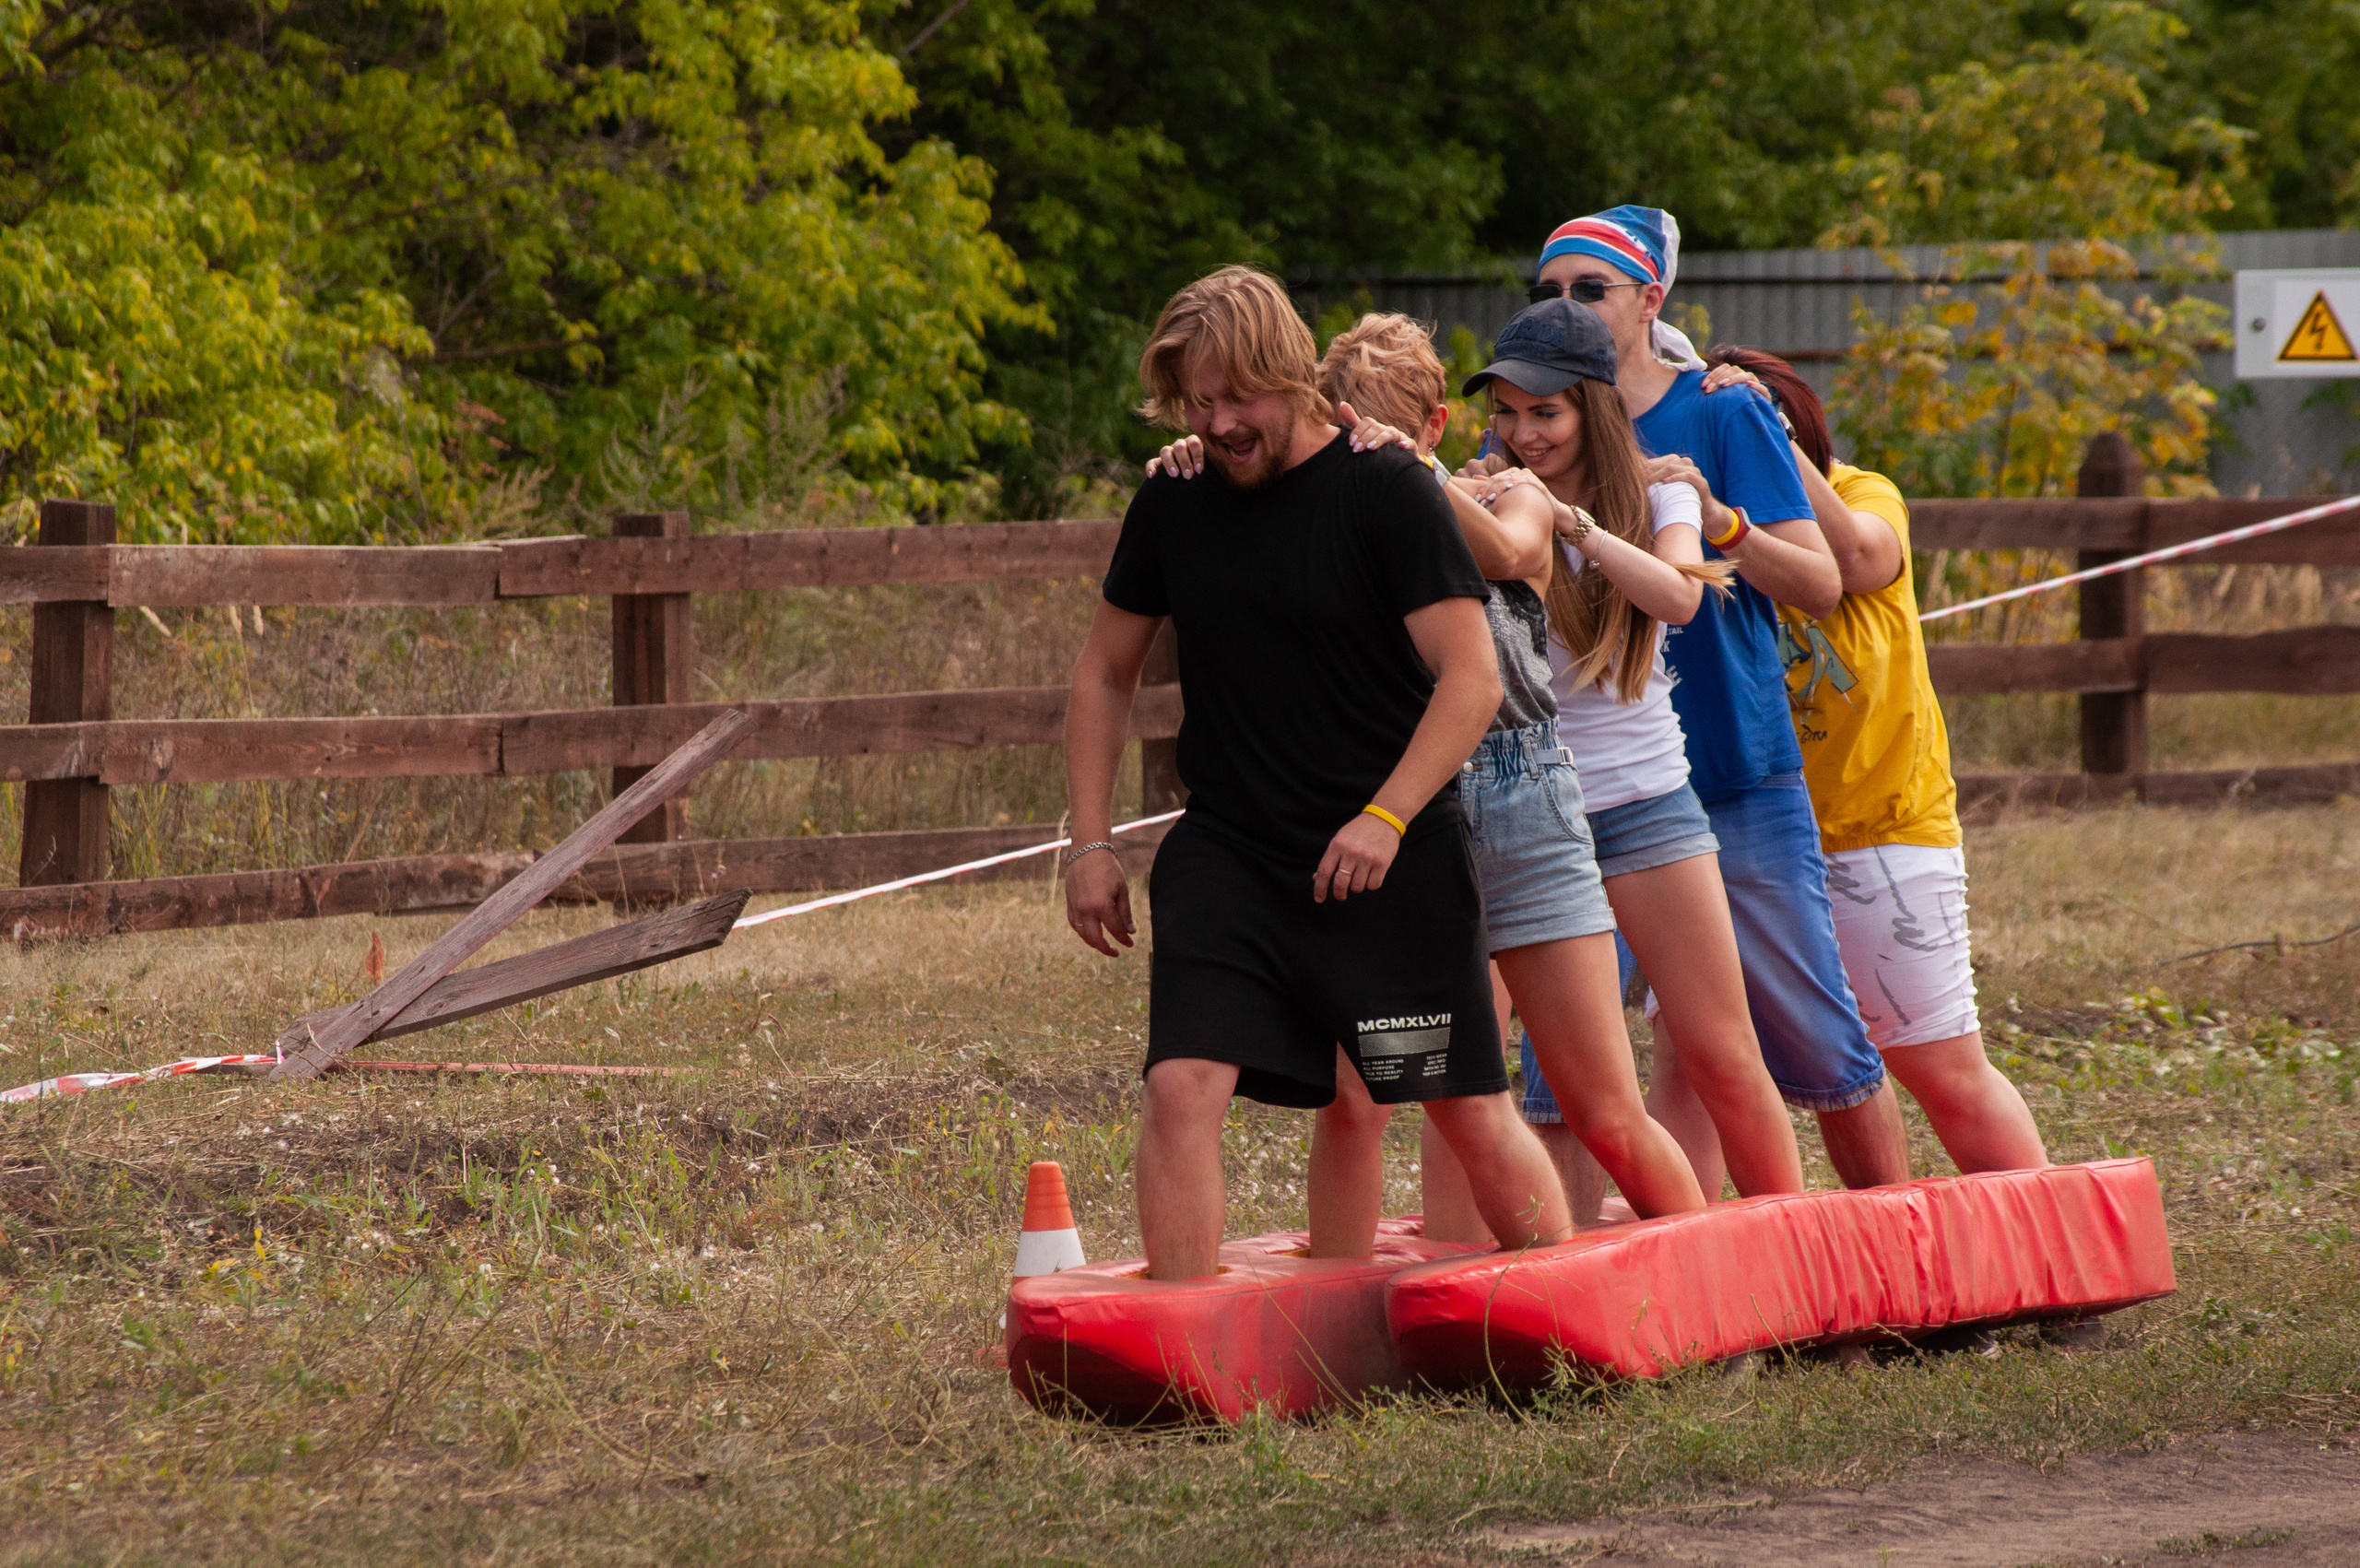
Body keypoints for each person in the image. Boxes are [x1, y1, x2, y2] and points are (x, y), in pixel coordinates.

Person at [1140, 308, 1706, 1253]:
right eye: (1344, 420)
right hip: (1403, 815)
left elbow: (1513, 556)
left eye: (1385, 426)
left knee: (1601, 1105)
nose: (1356, 442)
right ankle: (1379, 1290)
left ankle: (1703, 1284)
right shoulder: (1327, 492)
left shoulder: (1506, 491)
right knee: (1387, 1094)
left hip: (1519, 805)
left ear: (1438, 424)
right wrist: (1193, 459)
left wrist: (1404, 472)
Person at [1062, 266, 1573, 1279]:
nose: (1218, 423)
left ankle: (1569, 1305)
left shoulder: (1384, 488)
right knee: (1182, 1085)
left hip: (1387, 861)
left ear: (1290, 375)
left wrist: (1384, 816)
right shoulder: (1171, 500)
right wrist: (1088, 843)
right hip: (1232, 853)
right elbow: (1103, 672)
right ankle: (1182, 1347)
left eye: (1236, 397)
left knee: (1458, 1109)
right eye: (1196, 403)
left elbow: (1470, 682)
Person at [1525, 204, 1914, 1194]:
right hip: (1589, 789)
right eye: (1546, 292)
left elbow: (1821, 583)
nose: (1564, 306)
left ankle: (1883, 1288)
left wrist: (1722, 520)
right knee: (1555, 1066)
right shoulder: (1543, 420)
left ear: (1649, 299)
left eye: (1588, 289)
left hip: (1733, 767)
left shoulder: (1718, 407)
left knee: (1814, 1038)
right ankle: (1586, 1309)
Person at [1696, 347, 2048, 1175]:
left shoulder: (1862, 492)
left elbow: (1853, 560)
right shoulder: (1710, 521)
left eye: (1749, 433)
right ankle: (1870, 1263)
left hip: (1883, 830)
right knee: (1817, 1067)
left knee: (1938, 1065)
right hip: (1766, 837)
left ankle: (2061, 1271)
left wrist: (1766, 437)